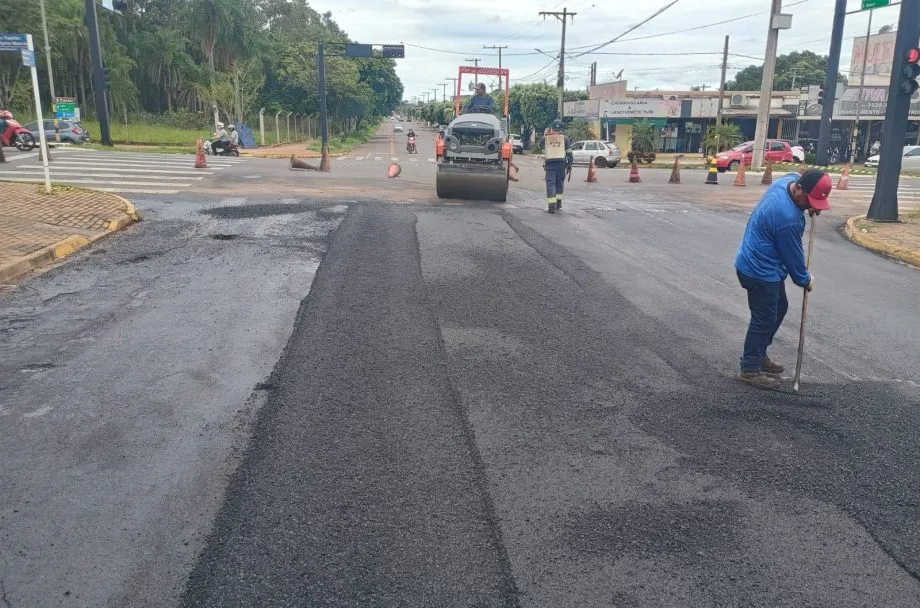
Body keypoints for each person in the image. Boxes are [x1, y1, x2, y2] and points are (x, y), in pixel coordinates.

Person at [734, 168, 832, 390]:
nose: (810, 206)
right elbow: (794, 260)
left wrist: (811, 205)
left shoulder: (786, 182)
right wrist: (806, 280)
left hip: (759, 265)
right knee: (764, 318)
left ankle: (758, 355)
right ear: (798, 189)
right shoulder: (787, 218)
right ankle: (749, 368)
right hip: (758, 271)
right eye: (809, 200)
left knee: (780, 307)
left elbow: (794, 172)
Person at [538, 119, 571, 214]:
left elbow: (540, 146)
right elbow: (569, 152)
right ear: (562, 128)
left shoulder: (547, 138)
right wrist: (570, 163)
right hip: (561, 164)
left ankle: (551, 206)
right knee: (559, 183)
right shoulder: (565, 138)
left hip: (550, 164)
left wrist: (545, 135)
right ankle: (558, 203)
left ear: (551, 128)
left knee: (551, 184)